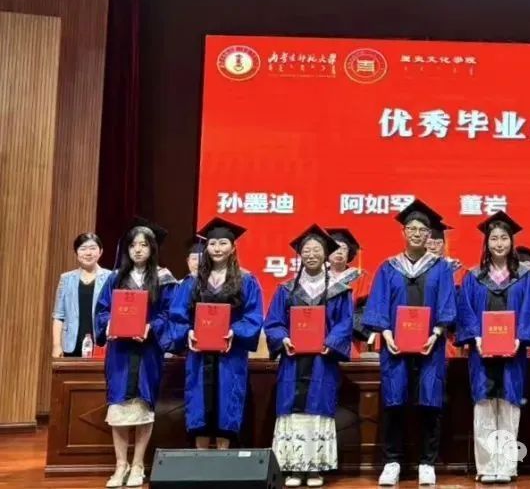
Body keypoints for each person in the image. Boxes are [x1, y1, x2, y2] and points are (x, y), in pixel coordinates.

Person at [362, 201, 457, 486]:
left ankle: (427, 463)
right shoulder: (388, 268)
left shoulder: (441, 268)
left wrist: (436, 333)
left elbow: (447, 304)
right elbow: (378, 304)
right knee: (394, 403)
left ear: (429, 234)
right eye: (411, 229)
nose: (417, 234)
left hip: (431, 347)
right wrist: (386, 333)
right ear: (403, 232)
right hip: (395, 348)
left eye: (422, 230)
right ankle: (392, 462)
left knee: (430, 404)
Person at [264, 225, 355, 488]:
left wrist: (331, 342)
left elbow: (345, 322)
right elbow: (274, 322)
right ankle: (292, 467)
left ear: (326, 254)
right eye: (306, 250)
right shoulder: (286, 289)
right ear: (299, 254)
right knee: (292, 412)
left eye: (316, 250)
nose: (311, 255)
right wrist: (283, 338)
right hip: (293, 360)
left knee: (318, 410)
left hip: (321, 362)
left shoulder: (339, 289)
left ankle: (314, 468)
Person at [456, 211, 530, 484]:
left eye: (504, 238)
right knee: (483, 405)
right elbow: (466, 310)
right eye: (494, 238)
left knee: (508, 405)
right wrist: (476, 338)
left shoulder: (524, 276)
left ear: (512, 242)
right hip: (481, 353)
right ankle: (486, 465)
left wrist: (520, 338)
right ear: (487, 242)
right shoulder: (473, 276)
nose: (499, 243)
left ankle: (506, 465)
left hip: (513, 353)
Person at [93, 218, 180, 488]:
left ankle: (139, 464)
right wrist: (109, 324)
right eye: (133, 245)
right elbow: (102, 310)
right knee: (118, 407)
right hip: (120, 352)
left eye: (143, 245)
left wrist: (151, 327)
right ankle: (121, 465)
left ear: (152, 248)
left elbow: (170, 313)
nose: (138, 250)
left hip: (147, 351)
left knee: (143, 407)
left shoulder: (164, 279)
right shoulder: (115, 278)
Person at [169, 218, 263, 450]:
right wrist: (188, 331)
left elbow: (253, 315)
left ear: (233, 247)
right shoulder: (192, 281)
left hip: (230, 355)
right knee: (199, 408)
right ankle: (201, 462)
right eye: (212, 244)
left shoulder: (246, 280)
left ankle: (223, 461)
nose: (217, 248)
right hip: (199, 355)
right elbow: (177, 315)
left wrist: (234, 331)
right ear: (206, 248)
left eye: (223, 243)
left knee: (227, 406)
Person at [52, 232, 111, 358]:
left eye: (93, 248)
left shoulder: (110, 278)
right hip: (71, 345)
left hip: (102, 344)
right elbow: (58, 316)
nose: (88, 253)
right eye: (83, 249)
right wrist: (56, 345)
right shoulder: (66, 279)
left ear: (100, 251)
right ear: (76, 253)